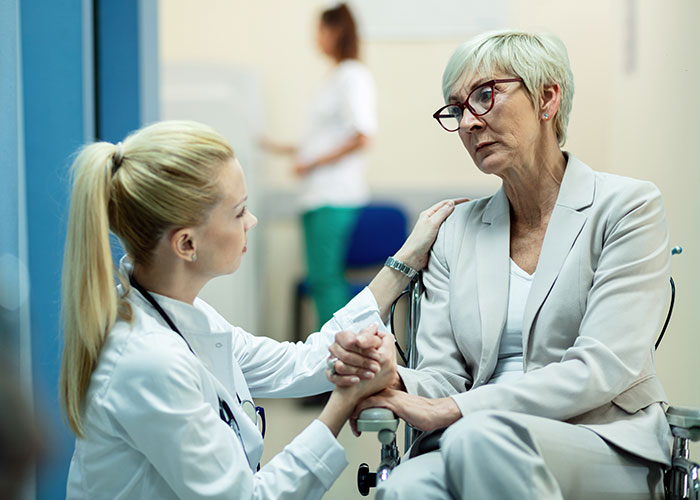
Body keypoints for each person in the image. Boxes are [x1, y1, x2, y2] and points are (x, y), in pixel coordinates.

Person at [339, 30, 673, 499]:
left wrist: (457, 410)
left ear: (547, 98)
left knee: (480, 436)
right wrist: (395, 378)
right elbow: (444, 374)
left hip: (601, 438)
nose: (468, 124)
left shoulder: (627, 208)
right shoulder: (456, 230)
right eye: (456, 109)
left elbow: (601, 367)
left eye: (484, 96)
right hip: (465, 437)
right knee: (405, 489)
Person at [59, 120, 458, 499]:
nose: (251, 220)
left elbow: (293, 363)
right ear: (185, 244)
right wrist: (345, 400)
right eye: (238, 211)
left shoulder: (180, 315)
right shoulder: (149, 360)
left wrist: (403, 263)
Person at [263, 3, 376, 329]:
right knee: (321, 280)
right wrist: (273, 146)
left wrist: (310, 162)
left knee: (325, 281)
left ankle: (339, 361)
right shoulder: (335, 77)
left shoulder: (353, 76)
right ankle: (334, 360)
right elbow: (321, 140)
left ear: (336, 31)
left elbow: (362, 136)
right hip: (318, 197)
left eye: (320, 30)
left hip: (333, 196)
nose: (316, 38)